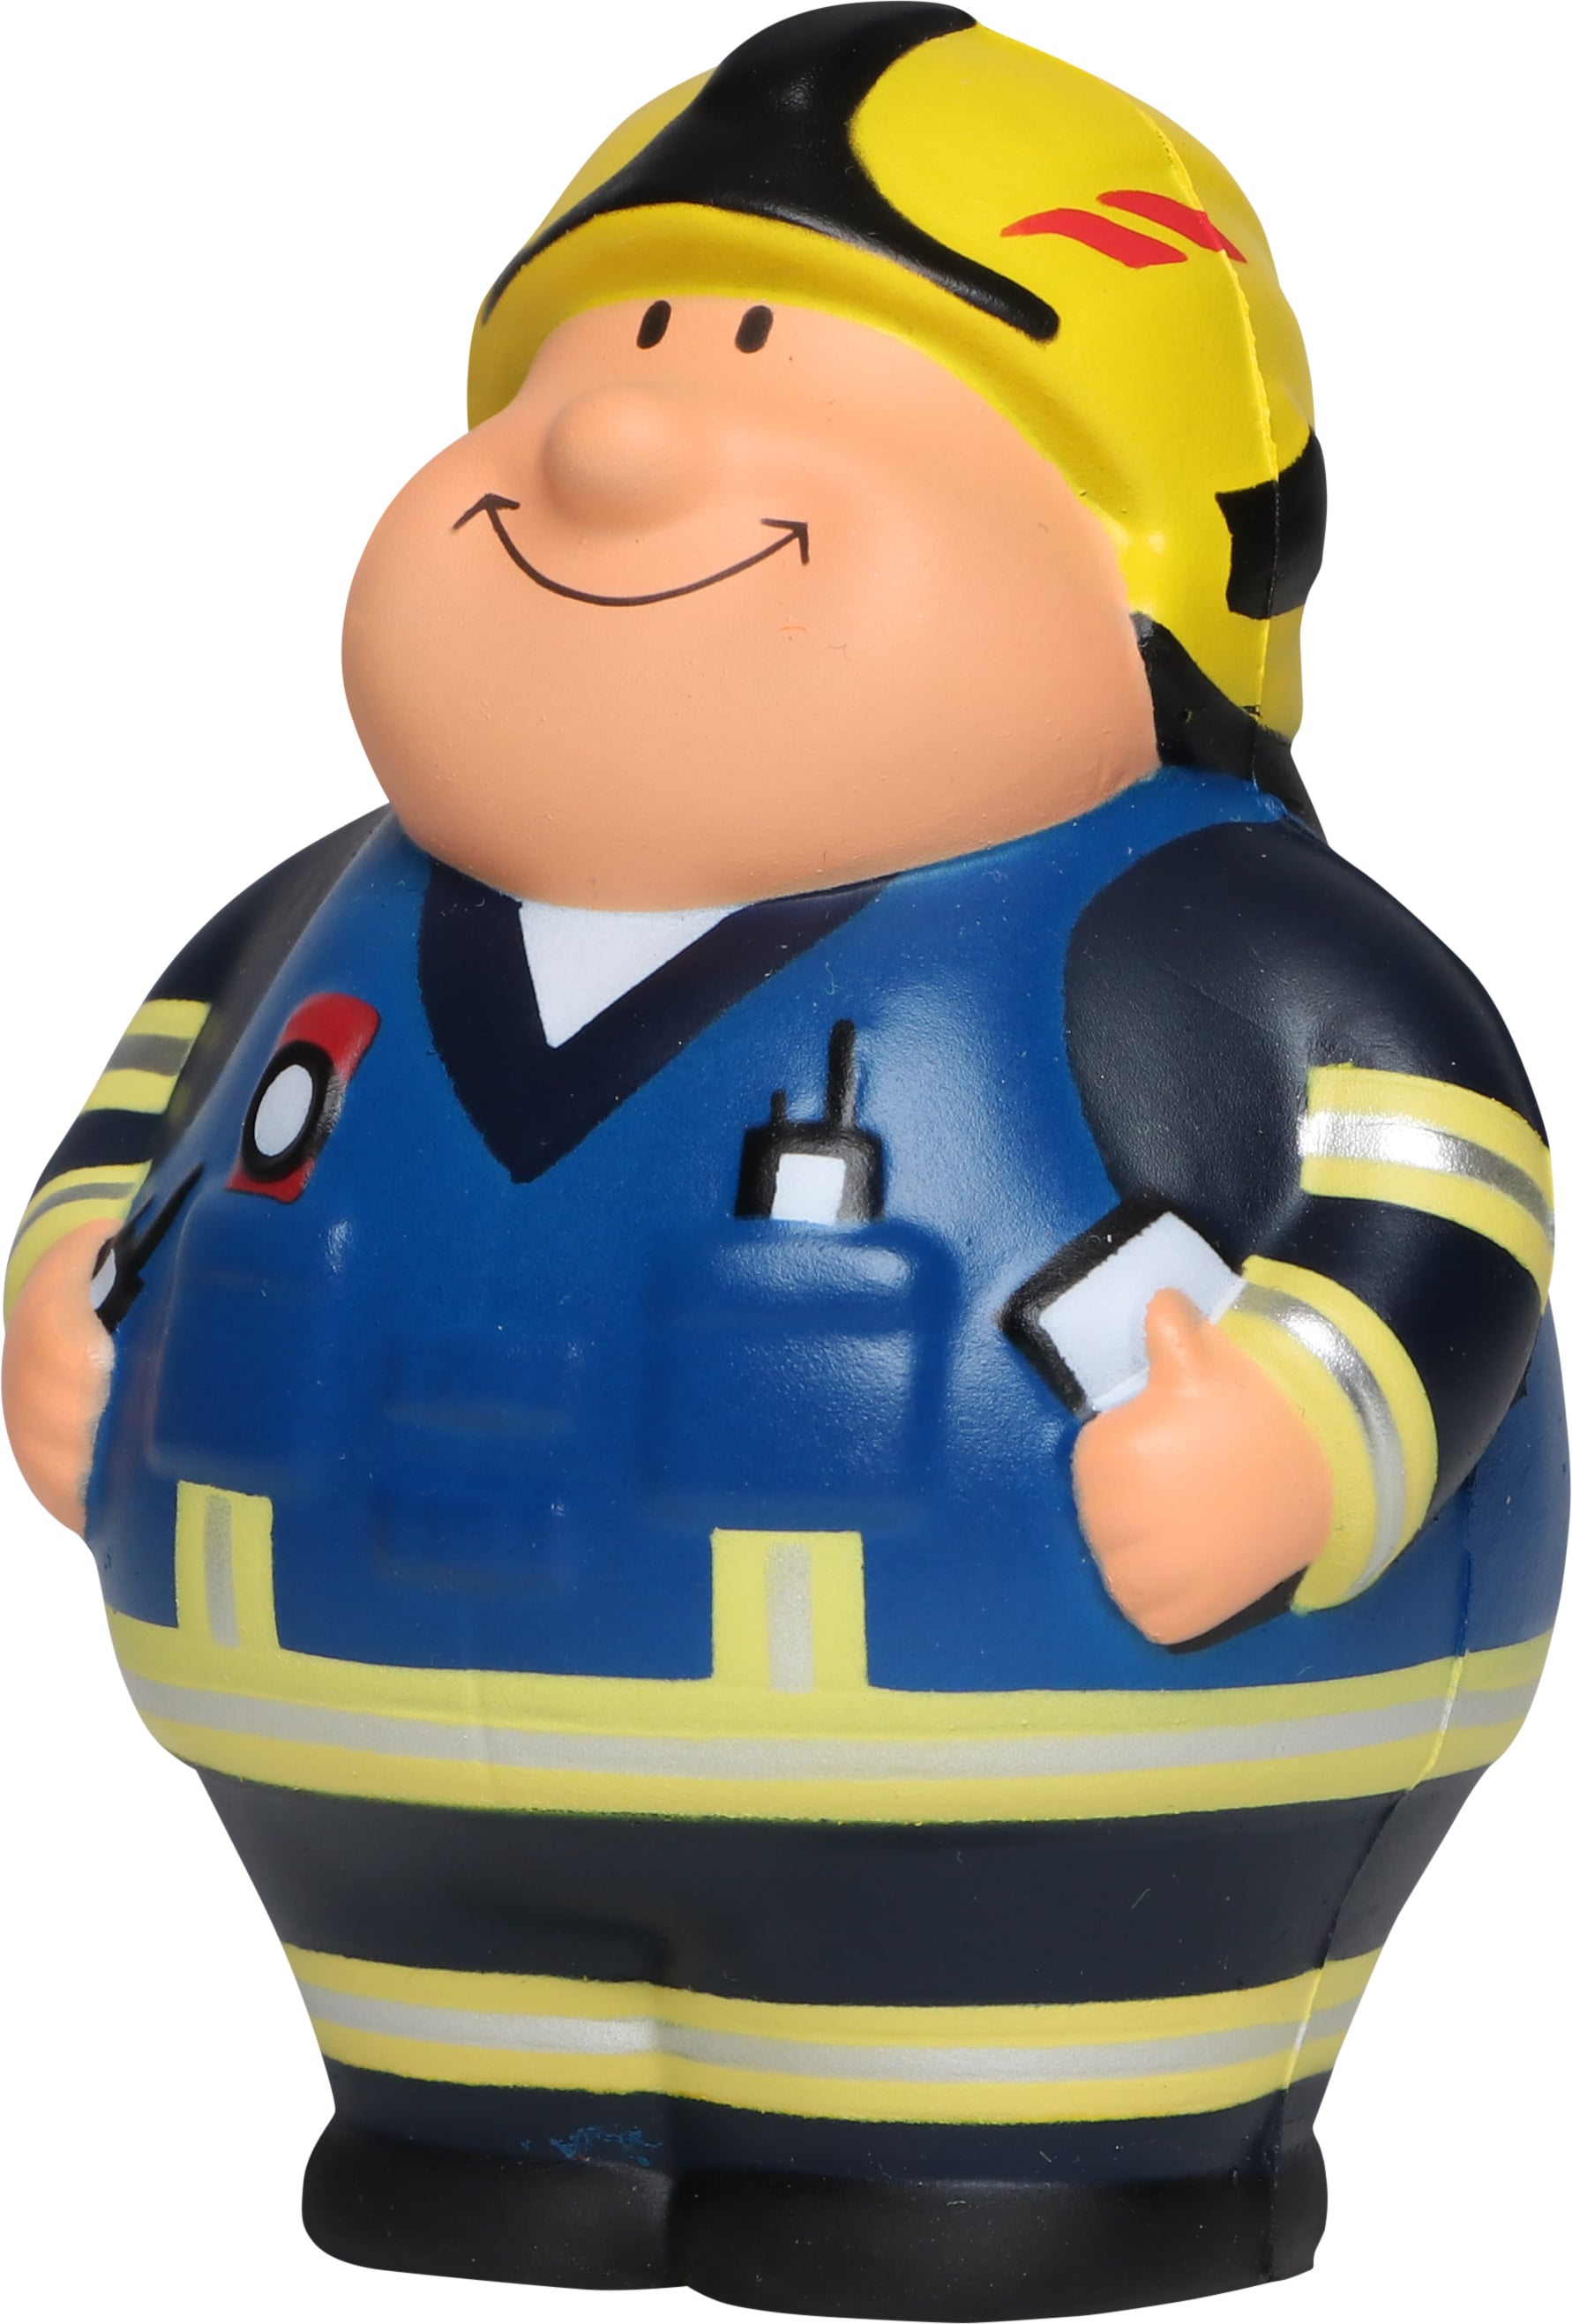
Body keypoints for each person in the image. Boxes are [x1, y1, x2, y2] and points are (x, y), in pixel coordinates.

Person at [3, 7, 1563, 2313]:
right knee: (479, 2105)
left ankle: (1008, 2142)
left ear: (1152, 546)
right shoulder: (328, 921)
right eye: (598, 349)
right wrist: (72, 1286)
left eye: (759, 355)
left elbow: (1443, 1188)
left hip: (1058, 1873)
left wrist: (1306, 1434)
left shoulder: (1192, 929)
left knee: (971, 2095)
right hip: (374, 1842)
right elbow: (143, 1115)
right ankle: (478, 2114)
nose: (613, 436)